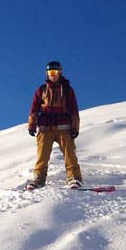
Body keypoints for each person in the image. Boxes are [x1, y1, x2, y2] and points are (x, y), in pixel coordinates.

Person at [27, 61, 83, 190]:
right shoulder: (41, 90)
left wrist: (75, 128)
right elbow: (34, 109)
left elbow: (74, 110)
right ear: (47, 74)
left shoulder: (67, 90)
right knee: (42, 156)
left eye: (55, 72)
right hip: (45, 128)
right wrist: (31, 124)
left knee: (70, 155)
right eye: (50, 72)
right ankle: (38, 179)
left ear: (60, 73)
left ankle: (74, 178)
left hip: (64, 127)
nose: (53, 75)